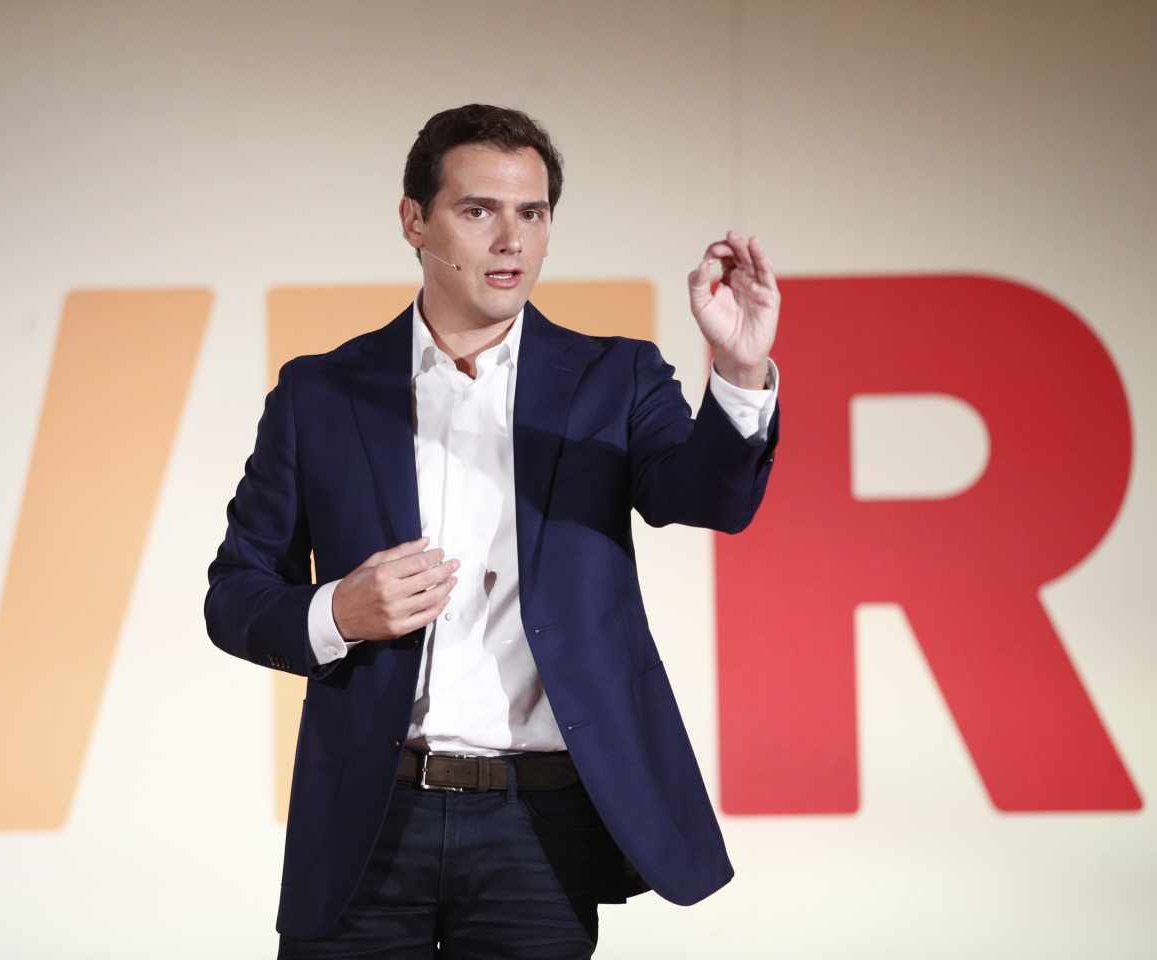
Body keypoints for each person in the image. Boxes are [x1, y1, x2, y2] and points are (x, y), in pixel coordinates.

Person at [204, 103, 781, 959]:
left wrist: (738, 370)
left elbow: (711, 501)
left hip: (536, 832)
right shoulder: (321, 394)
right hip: (368, 820)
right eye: (479, 211)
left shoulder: (613, 378)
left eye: (532, 213)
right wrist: (336, 614)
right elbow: (237, 594)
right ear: (415, 220)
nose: (510, 238)